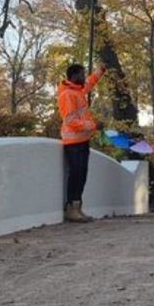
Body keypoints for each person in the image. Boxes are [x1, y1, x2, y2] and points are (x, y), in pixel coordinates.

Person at [58, 62, 107, 223]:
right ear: (73, 76)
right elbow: (70, 121)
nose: (83, 77)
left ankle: (77, 207)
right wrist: (93, 126)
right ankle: (71, 208)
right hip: (73, 141)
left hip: (82, 140)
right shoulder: (67, 95)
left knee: (82, 174)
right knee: (76, 174)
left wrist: (101, 70)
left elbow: (90, 82)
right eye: (81, 74)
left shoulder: (78, 90)